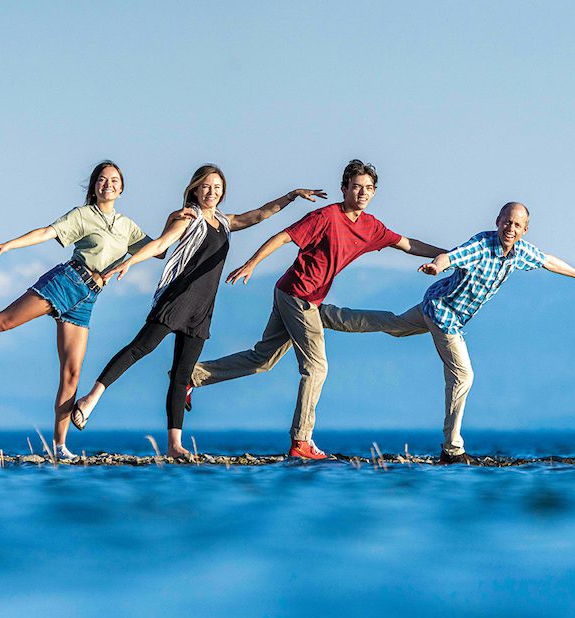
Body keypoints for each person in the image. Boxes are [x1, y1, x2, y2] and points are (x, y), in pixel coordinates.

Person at [186, 160, 448, 460]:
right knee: (316, 367)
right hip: (297, 295)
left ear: (374, 193)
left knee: (263, 359)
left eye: (369, 188)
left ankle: (191, 376)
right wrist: (253, 263)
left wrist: (447, 255)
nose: (362, 193)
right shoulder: (325, 216)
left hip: (307, 299)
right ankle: (301, 441)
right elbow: (283, 237)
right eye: (357, 187)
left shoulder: (371, 227)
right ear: (344, 189)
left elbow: (407, 244)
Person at [318, 202, 575, 463]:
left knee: (394, 325)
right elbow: (451, 257)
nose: (510, 228)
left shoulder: (520, 252)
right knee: (463, 375)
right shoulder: (482, 246)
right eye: (507, 222)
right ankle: (452, 449)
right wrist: (436, 265)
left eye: (517, 225)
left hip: (436, 307)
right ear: (497, 221)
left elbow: (546, 259)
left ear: (525, 230)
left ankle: (327, 316)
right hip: (443, 314)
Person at [0, 160, 158, 460]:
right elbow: (46, 232)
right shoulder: (83, 215)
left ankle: (60, 446)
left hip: (88, 298)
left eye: (114, 180)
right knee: (2, 322)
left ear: (122, 187)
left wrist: (182, 219)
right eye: (102, 180)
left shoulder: (128, 227)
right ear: (93, 186)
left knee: (72, 373)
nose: (108, 184)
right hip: (67, 281)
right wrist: (8, 245)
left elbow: (160, 249)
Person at [69, 164, 326, 459]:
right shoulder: (188, 218)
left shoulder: (224, 222)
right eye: (205, 187)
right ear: (194, 189)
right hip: (177, 298)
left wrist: (291, 195)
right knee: (141, 348)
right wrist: (130, 262)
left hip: (202, 308)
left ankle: (174, 445)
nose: (211, 193)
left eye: (217, 188)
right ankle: (91, 399)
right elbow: (161, 244)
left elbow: (259, 214)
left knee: (182, 375)